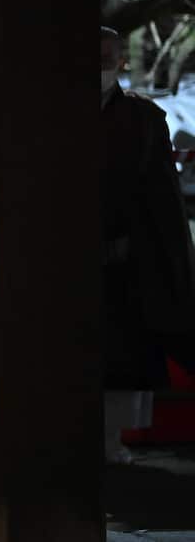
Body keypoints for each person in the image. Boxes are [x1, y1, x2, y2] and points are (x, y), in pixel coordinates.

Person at [100, 26, 195, 464]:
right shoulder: (55, 115)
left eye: (109, 54)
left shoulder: (144, 119)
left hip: (123, 255)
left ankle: (109, 438)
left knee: (121, 354)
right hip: (68, 254)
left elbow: (159, 196)